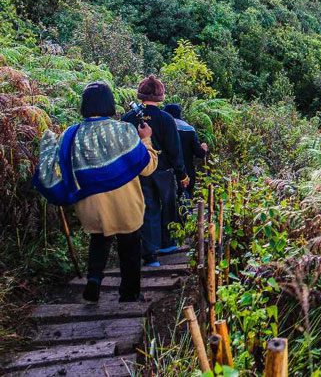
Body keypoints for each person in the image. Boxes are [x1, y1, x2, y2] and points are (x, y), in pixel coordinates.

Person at [35, 82, 158, 302]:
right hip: (125, 203)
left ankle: (94, 280)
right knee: (129, 245)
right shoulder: (123, 130)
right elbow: (147, 167)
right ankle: (129, 293)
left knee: (99, 240)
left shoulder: (71, 135)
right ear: (110, 103)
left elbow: (62, 168)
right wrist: (146, 138)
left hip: (90, 205)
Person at [122, 76, 188, 267]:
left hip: (139, 172)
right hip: (164, 171)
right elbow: (175, 150)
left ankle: (150, 255)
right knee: (168, 205)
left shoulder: (128, 118)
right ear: (159, 96)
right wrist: (181, 173)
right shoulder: (166, 119)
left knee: (147, 208)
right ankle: (167, 243)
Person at [163, 103, 208, 203]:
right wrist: (204, 149)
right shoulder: (189, 129)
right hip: (187, 171)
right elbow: (199, 153)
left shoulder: (162, 128)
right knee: (186, 200)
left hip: (166, 171)